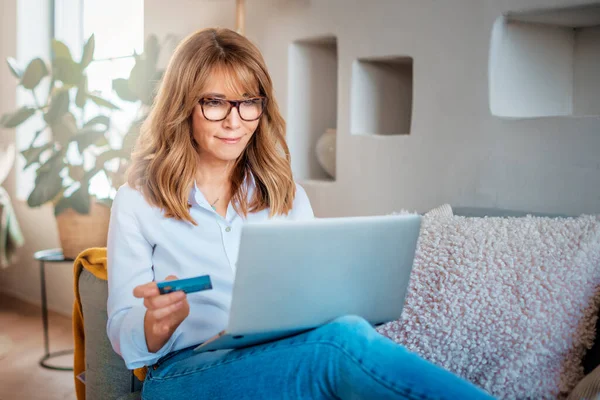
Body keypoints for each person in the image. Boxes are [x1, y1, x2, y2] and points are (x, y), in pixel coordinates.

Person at [106, 27, 495, 400]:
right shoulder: (137, 202)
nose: (234, 121)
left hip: (277, 355)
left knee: (345, 333)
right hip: (182, 374)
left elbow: (312, 300)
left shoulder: (284, 195)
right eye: (214, 102)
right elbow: (122, 331)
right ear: (183, 107)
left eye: (248, 103)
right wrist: (153, 326)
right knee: (341, 343)